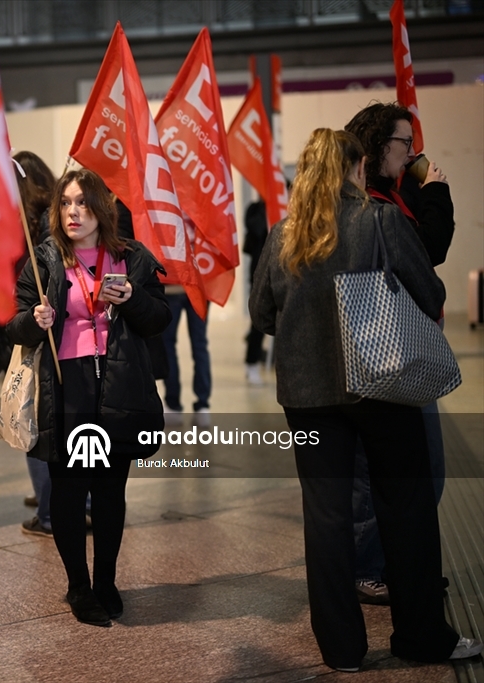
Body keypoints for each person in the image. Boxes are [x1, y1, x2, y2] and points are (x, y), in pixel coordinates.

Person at [249, 128, 481, 671]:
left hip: (306, 394)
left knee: (325, 518)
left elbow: (263, 316)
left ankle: (342, 651)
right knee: (407, 507)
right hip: (379, 383)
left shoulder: (283, 234)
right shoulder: (380, 220)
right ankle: (421, 638)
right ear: (356, 170)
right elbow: (430, 291)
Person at [6, 169, 169, 627]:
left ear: (102, 209)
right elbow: (12, 327)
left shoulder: (131, 258)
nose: (73, 212)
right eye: (65, 203)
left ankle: (107, 581)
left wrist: (132, 297)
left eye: (82, 203)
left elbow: (158, 319)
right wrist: (33, 321)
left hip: (117, 384)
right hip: (67, 384)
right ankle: (78, 585)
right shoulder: (44, 261)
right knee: (71, 490)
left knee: (111, 491)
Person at [343, 102, 453, 606]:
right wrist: (438, 195)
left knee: (418, 470)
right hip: (382, 353)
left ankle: (400, 566)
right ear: (378, 146)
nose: (412, 154)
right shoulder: (371, 207)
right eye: (404, 144)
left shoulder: (391, 196)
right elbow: (427, 261)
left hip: (403, 351)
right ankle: (371, 568)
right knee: (387, 473)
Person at [12, 150, 57, 538]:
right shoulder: (57, 215)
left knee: (37, 421)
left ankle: (49, 511)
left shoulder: (36, 225)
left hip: (44, 333)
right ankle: (56, 500)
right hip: (65, 334)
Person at [159, 214, 211, 427]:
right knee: (199, 344)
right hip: (198, 282)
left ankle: (174, 404)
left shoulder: (163, 193)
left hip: (174, 282)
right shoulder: (202, 194)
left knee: (169, 345)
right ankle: (202, 404)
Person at [242, 200, 269, 385]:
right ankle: (252, 363)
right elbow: (256, 230)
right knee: (258, 321)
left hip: (286, 271)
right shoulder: (255, 209)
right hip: (260, 272)